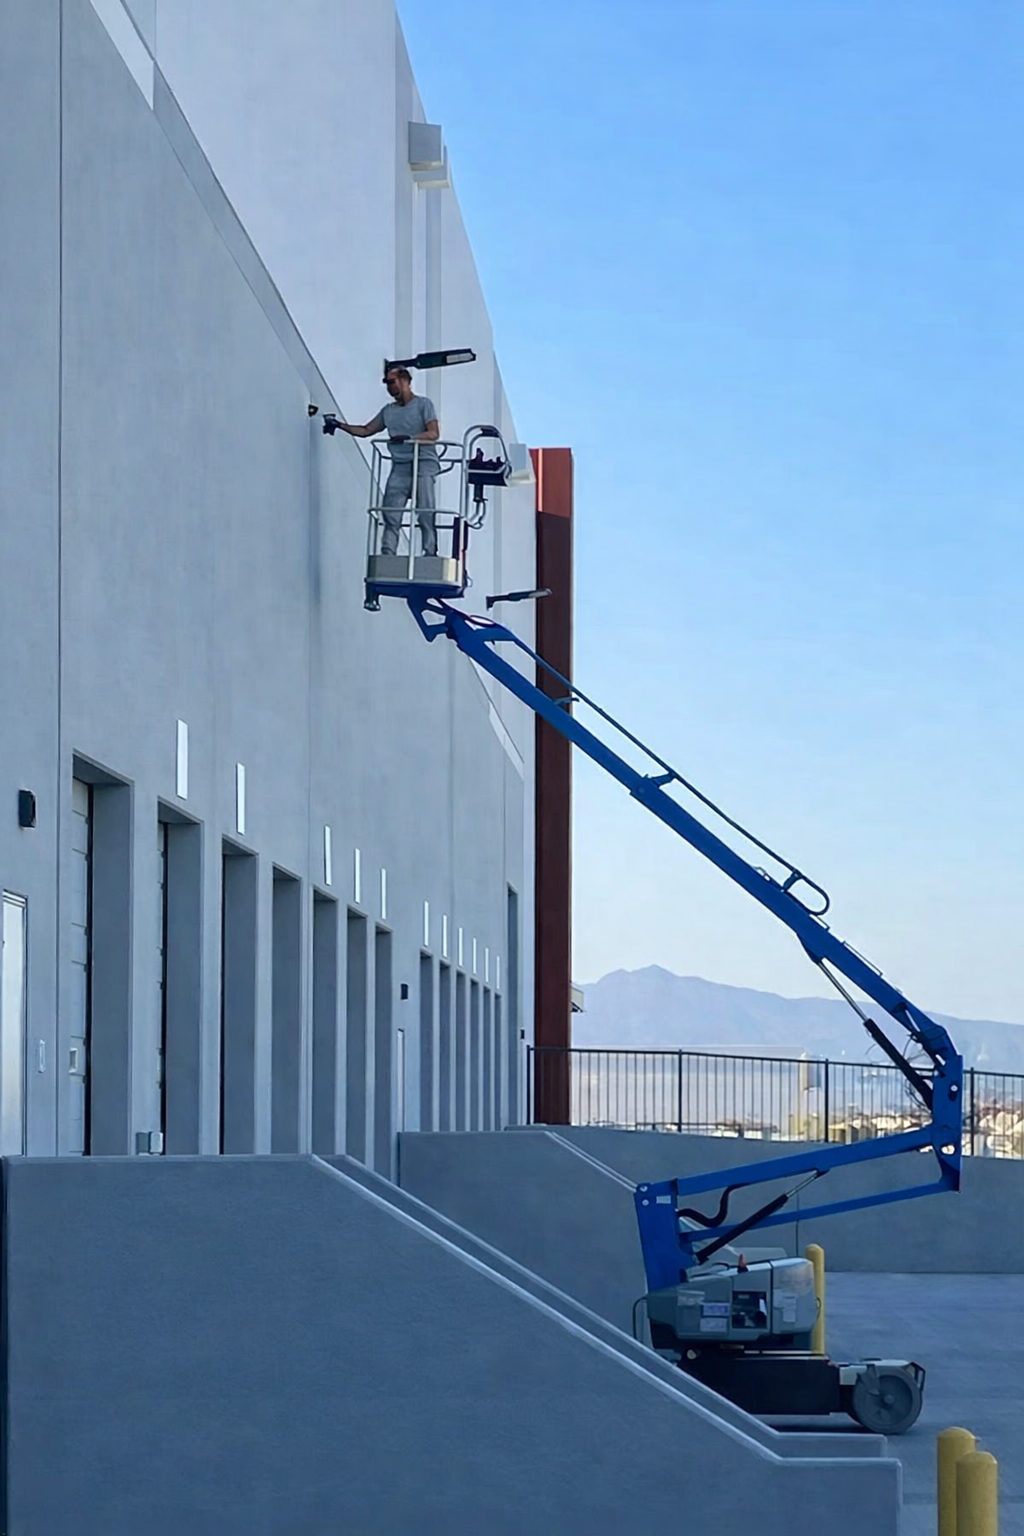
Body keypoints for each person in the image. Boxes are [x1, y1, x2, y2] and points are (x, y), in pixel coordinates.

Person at [333, 368, 441, 555]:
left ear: (405, 381)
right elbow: (367, 430)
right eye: (386, 383)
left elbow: (433, 433)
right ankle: (388, 551)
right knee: (390, 509)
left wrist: (409, 438)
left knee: (425, 509)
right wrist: (339, 425)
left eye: (392, 382)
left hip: (424, 461)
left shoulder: (423, 404)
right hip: (400, 465)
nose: (389, 387)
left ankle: (430, 551)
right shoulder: (388, 411)